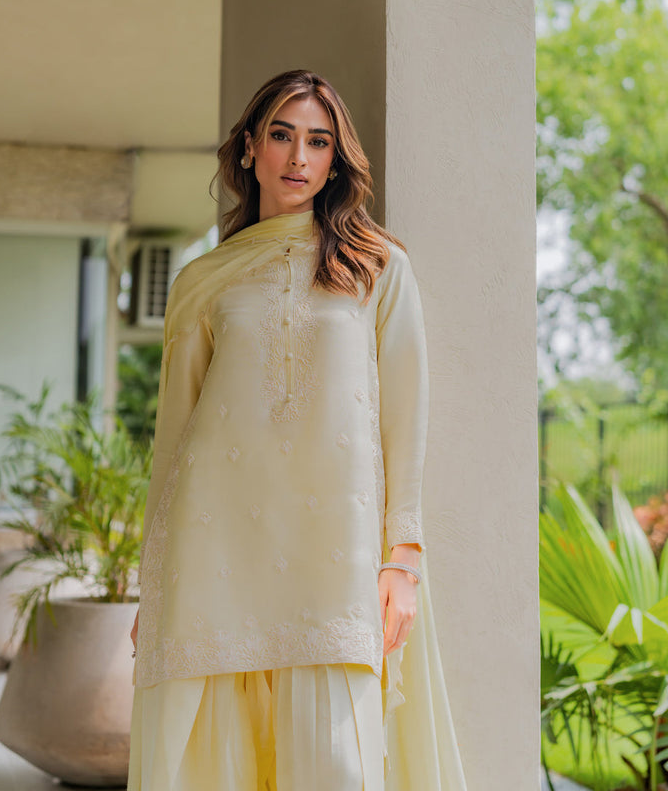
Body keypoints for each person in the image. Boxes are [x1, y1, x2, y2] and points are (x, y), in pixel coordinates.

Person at [127, 70, 467, 790]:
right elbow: (175, 439)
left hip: (333, 555)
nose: (298, 157)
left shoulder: (378, 268)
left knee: (338, 765)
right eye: (281, 135)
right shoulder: (205, 280)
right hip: (215, 550)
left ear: (336, 161)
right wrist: (151, 586)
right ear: (250, 148)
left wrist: (402, 561)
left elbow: (406, 419)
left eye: (318, 141)